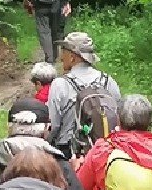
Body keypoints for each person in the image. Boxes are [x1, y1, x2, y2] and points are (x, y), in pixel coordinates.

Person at [47, 31, 121, 159]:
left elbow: (55, 126)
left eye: (63, 52)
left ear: (72, 57)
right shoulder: (108, 81)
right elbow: (118, 116)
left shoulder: (60, 84)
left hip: (69, 153)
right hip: (105, 152)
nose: (61, 58)